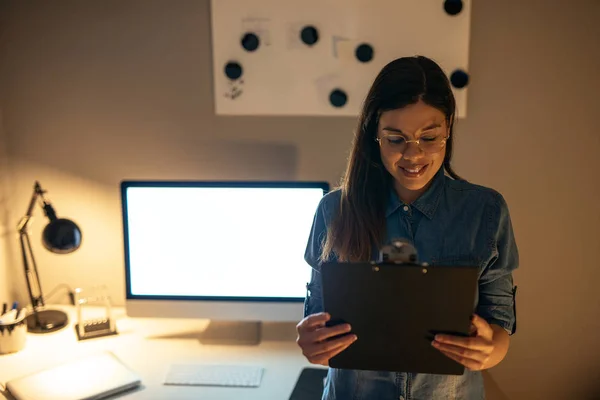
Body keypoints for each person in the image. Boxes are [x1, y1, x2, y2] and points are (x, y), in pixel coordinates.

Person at [296, 55, 518, 400]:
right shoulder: (333, 211)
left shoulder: (485, 210)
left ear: (448, 131)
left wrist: (490, 349)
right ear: (375, 137)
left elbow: (500, 323)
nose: (413, 155)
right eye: (395, 139)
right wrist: (312, 345)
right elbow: (317, 322)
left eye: (429, 138)